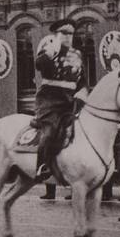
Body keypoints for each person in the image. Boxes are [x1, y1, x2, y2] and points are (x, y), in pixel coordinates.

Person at [34, 18, 84, 197]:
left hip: (70, 101)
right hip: (50, 101)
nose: (68, 37)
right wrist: (50, 53)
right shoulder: (49, 49)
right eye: (64, 33)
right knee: (50, 131)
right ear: (56, 34)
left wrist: (83, 93)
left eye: (71, 33)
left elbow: (82, 80)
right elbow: (39, 65)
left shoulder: (77, 54)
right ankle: (42, 166)